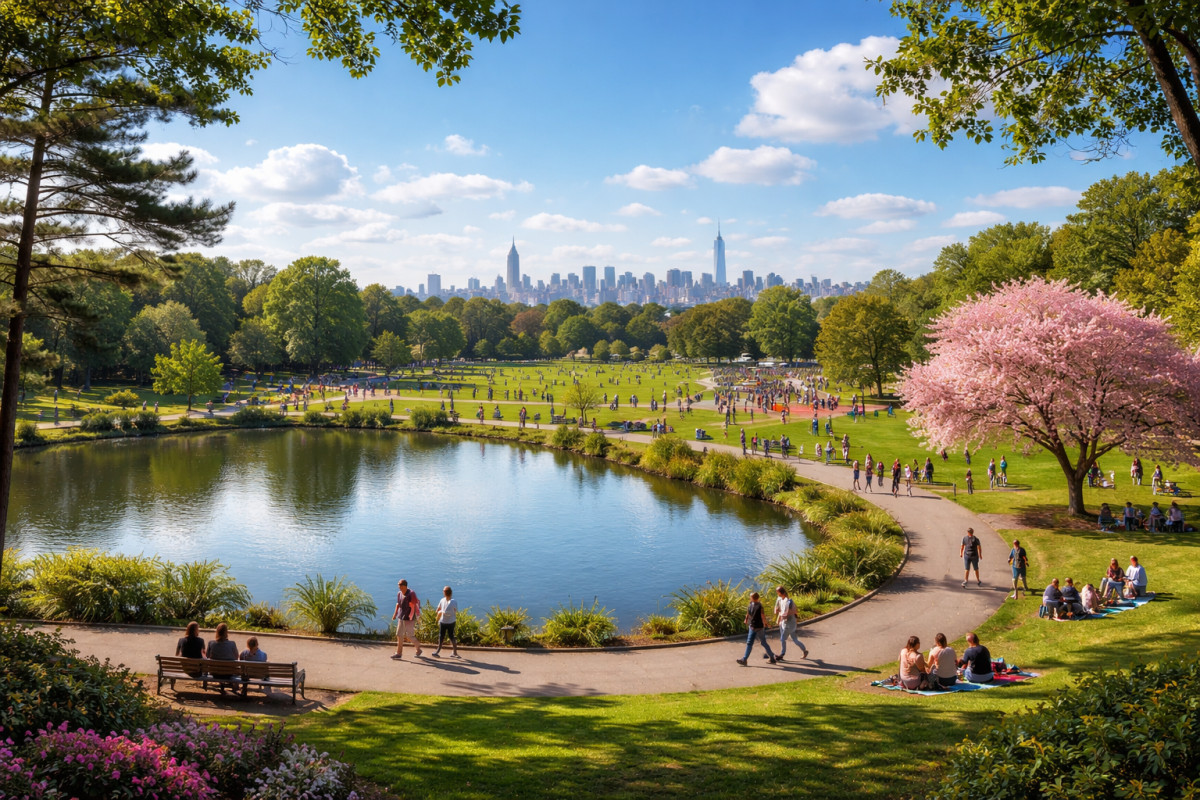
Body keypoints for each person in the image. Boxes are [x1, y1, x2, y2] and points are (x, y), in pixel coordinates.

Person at [736, 591, 776, 666]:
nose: (749, 598)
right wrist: (746, 619)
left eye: (750, 597)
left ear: (753, 598)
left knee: (763, 642)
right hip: (752, 626)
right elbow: (748, 613)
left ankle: (772, 658)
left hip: (759, 627)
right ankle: (744, 659)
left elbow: (762, 616)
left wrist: (765, 624)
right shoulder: (751, 604)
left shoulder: (759, 606)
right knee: (749, 643)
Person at [773, 586, 808, 661]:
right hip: (783, 622)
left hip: (789, 624)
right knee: (795, 639)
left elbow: (796, 611)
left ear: (780, 592)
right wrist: (778, 616)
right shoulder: (779, 599)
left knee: (782, 639)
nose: (776, 593)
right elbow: (778, 609)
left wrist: (787, 613)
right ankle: (804, 651)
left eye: (777, 592)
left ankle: (782, 654)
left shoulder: (790, 602)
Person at [391, 579, 423, 659]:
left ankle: (418, 649)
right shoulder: (399, 593)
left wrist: (417, 617)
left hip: (409, 618)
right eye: (399, 586)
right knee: (399, 634)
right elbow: (398, 604)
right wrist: (395, 614)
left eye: (400, 586)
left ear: (405, 586)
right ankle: (399, 653)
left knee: (410, 636)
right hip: (401, 616)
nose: (399, 587)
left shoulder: (411, 594)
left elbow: (415, 606)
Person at [205, 623, 239, 695]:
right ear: (226, 632)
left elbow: (207, 656)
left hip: (214, 672)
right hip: (229, 673)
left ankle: (222, 683)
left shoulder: (211, 643)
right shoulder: (232, 643)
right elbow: (236, 657)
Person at [433, 586, 460, 658]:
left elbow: (438, 610)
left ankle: (438, 651)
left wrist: (440, 612)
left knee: (444, 636)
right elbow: (455, 611)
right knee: (449, 636)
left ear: (444, 593)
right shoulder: (452, 601)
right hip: (448, 621)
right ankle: (454, 652)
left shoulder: (445, 600)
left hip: (447, 622)